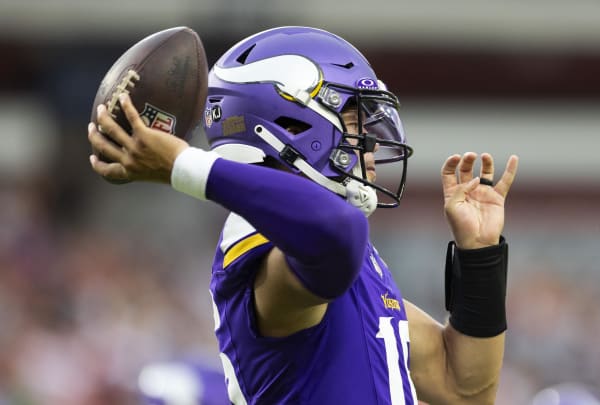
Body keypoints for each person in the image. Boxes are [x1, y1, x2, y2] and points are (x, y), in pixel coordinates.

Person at [87, 26, 519, 405]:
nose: (370, 143)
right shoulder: (267, 244)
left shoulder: (351, 258)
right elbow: (335, 233)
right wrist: (186, 166)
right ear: (291, 125)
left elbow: (465, 389)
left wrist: (478, 257)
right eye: (354, 120)